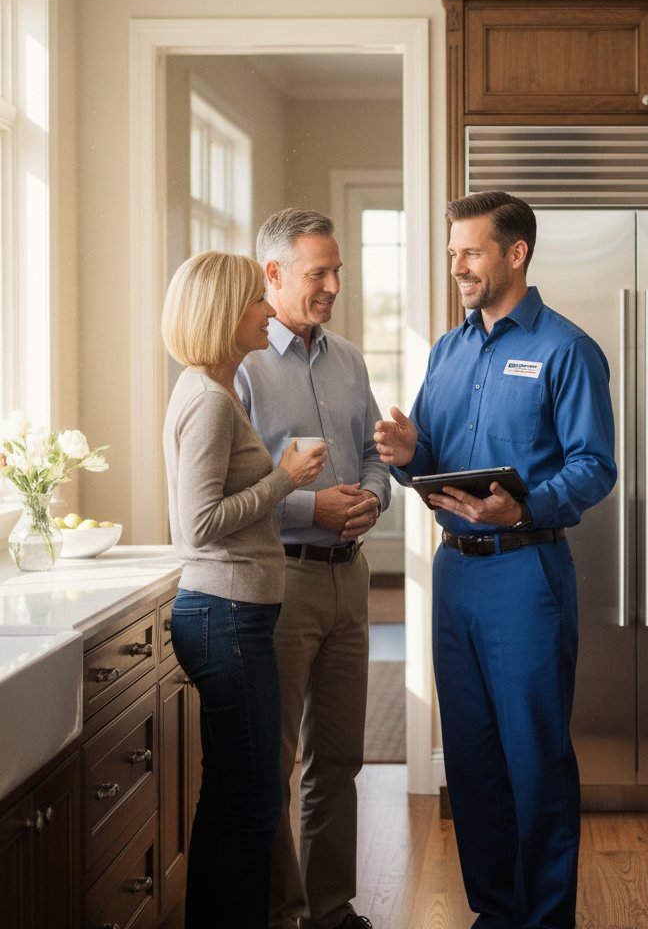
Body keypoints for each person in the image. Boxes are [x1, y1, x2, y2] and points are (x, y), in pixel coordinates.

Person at [374, 190, 616, 929]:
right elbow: (438, 466)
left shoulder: (566, 349)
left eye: (470, 252)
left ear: (516, 254)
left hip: (526, 576)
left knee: (534, 760)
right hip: (456, 576)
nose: (458, 267)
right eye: (452, 254)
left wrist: (527, 504)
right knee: (474, 763)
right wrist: (408, 457)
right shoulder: (447, 352)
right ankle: (495, 913)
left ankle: (544, 921)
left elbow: (595, 465)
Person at [235, 208, 391, 929]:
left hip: (350, 577)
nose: (332, 286)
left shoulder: (349, 358)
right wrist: (310, 511)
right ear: (273, 274)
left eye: (337, 272)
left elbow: (368, 455)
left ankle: (331, 910)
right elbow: (226, 496)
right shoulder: (237, 364)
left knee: (340, 758)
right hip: (281, 577)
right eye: (316, 273)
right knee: (275, 761)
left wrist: (373, 498)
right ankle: (281, 912)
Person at [162, 250, 327, 929]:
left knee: (233, 797)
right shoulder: (206, 399)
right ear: (227, 314)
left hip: (232, 615)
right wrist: (285, 477)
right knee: (254, 802)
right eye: (259, 302)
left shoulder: (216, 389)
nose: (269, 311)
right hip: (225, 615)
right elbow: (196, 526)